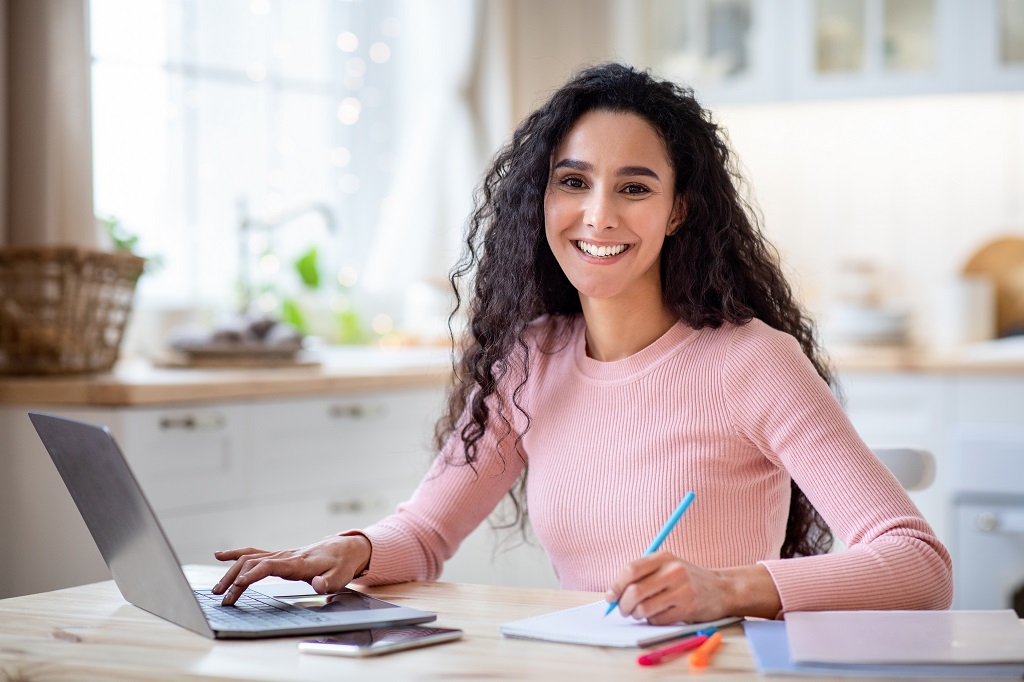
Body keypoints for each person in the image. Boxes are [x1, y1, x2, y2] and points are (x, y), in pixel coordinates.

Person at [213, 63, 952, 622]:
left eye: (634, 188)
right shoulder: (529, 360)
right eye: (574, 181)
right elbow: (427, 532)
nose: (597, 216)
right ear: (543, 198)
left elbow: (920, 566)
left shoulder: (752, 361)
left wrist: (726, 587)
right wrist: (351, 552)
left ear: (676, 212)